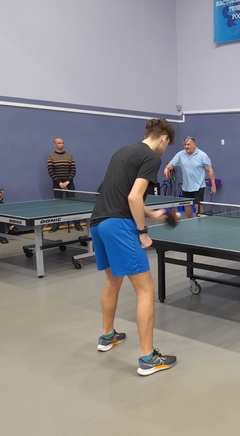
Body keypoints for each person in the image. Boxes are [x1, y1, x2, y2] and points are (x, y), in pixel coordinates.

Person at [90, 118, 178, 377]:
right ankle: (148, 358)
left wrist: (151, 213)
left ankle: (107, 336)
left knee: (113, 281)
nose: (165, 149)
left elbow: (120, 196)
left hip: (98, 223)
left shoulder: (122, 152)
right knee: (146, 288)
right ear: (163, 138)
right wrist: (142, 232)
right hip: (119, 226)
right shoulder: (151, 157)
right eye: (167, 145)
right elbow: (133, 197)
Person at [163, 136, 216, 218]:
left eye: (188, 144)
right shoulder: (180, 155)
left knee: (198, 206)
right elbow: (171, 165)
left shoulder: (202, 155)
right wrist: (167, 169)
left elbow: (210, 170)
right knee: (186, 205)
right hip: (186, 187)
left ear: (194, 145)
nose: (186, 147)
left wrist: (213, 185)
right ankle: (190, 221)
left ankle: (200, 221)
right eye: (185, 145)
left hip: (199, 186)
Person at [47, 137, 83, 232]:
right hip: (57, 184)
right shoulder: (51, 156)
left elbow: (73, 170)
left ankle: (77, 223)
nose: (61, 144)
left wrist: (67, 182)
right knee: (57, 205)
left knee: (73, 204)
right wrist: (60, 183)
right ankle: (56, 225)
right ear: (55, 144)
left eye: (62, 143)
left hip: (69, 183)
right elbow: (51, 171)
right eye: (59, 143)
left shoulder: (70, 156)